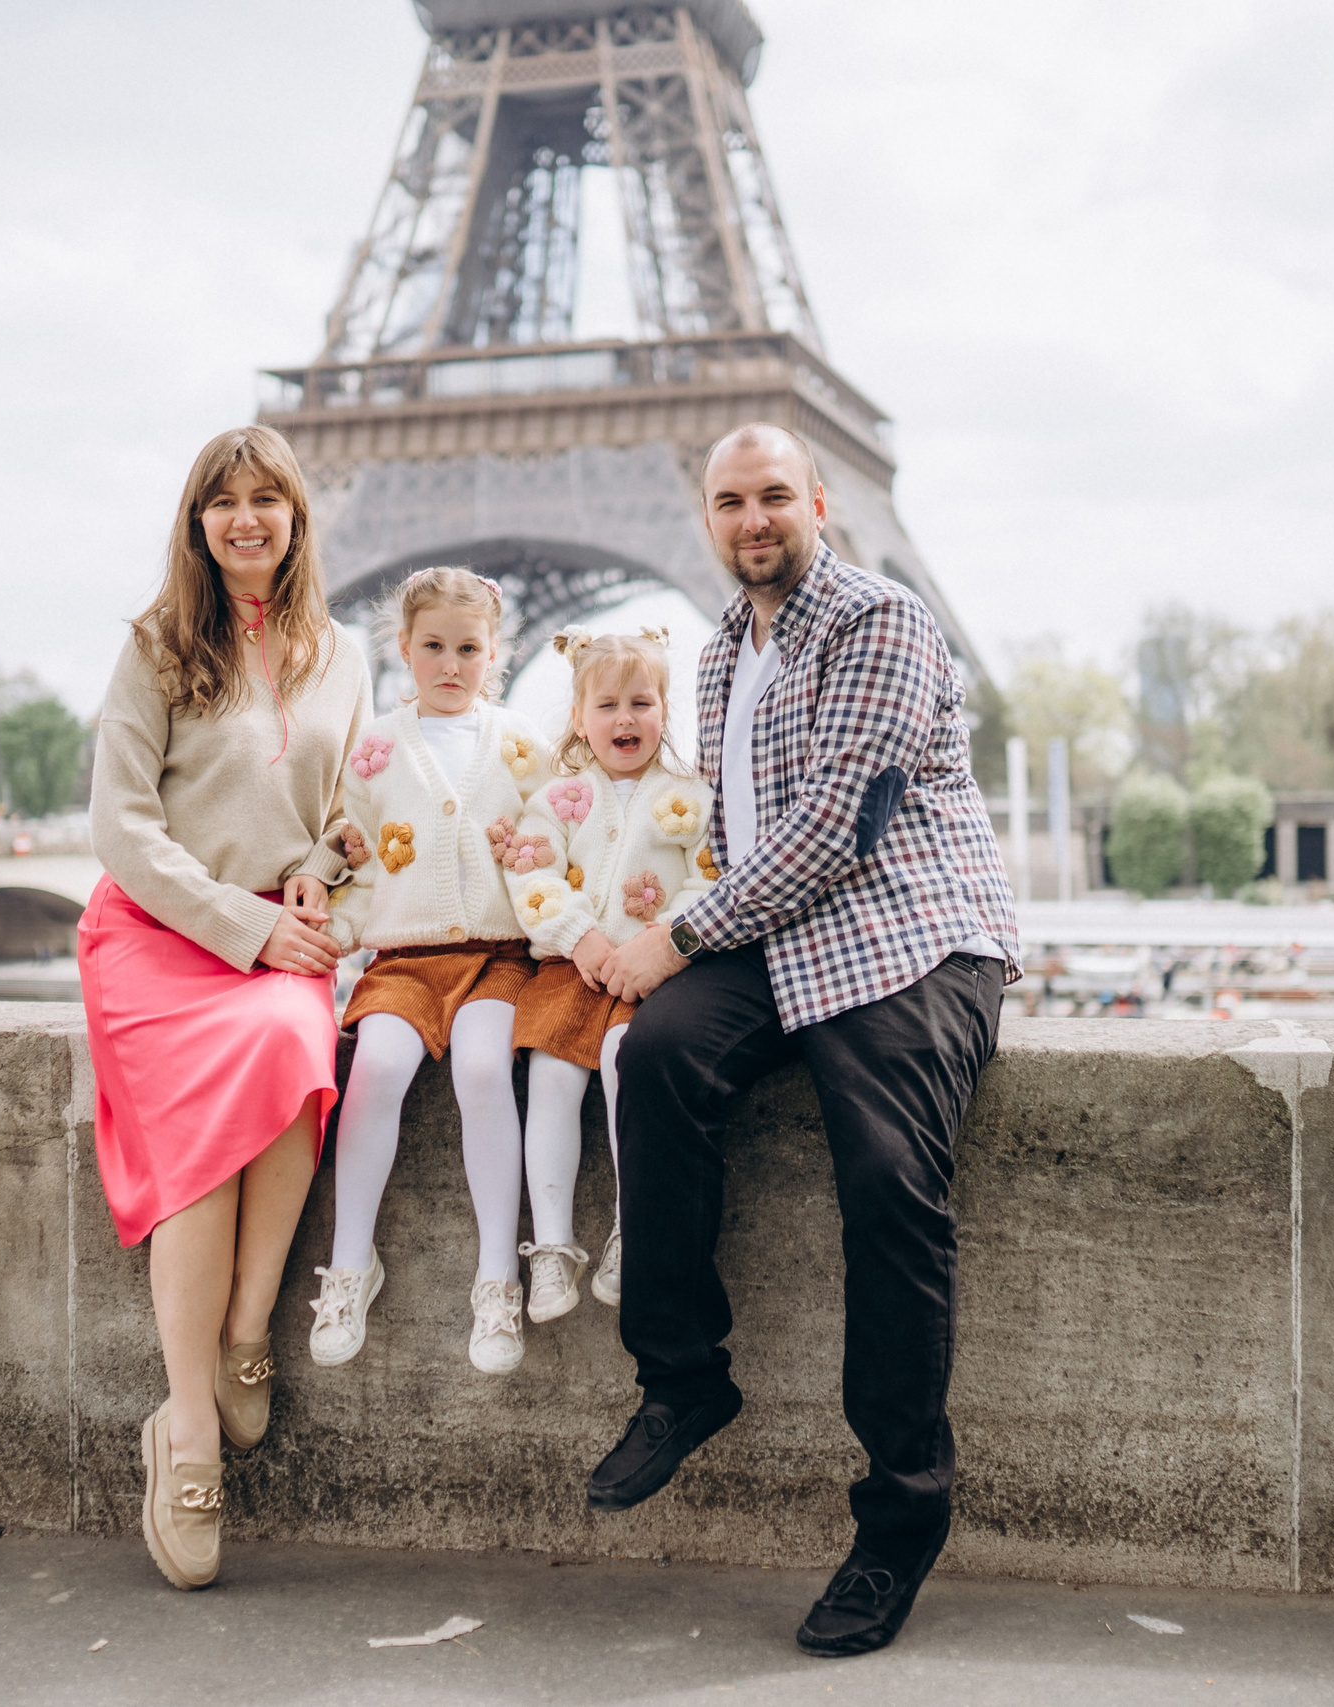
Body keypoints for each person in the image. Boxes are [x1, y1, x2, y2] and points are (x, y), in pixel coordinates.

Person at [589, 422, 1019, 1658]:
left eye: (774, 495)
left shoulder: (879, 621)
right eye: (730, 501)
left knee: (888, 1184)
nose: (753, 519)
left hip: (906, 932)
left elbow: (838, 827)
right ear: (706, 517)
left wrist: (677, 935)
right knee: (656, 1058)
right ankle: (683, 1378)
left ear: (821, 502)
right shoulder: (722, 651)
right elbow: (733, 837)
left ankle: (899, 1520)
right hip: (779, 937)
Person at [80, 423, 370, 1591]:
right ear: (197, 523)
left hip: (279, 932)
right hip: (163, 934)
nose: (245, 518)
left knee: (297, 1046)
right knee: (207, 1135)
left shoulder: (342, 656)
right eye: (222, 501)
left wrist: (321, 872)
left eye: (266, 499)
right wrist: (243, 928)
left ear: (296, 517)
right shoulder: (156, 647)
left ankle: (248, 1327)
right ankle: (189, 1423)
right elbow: (120, 827)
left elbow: (351, 814)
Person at [309, 568, 551, 1376]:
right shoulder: (375, 751)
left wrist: (537, 861)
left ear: (496, 654)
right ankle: (350, 1262)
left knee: (483, 1070)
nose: (451, 664)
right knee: (375, 1069)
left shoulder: (523, 745)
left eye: (469, 649)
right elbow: (358, 862)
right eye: (435, 647)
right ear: (404, 649)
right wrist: (335, 930)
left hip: (497, 957)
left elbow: (558, 841)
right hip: (404, 959)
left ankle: (498, 1274)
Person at [501, 626, 716, 1324]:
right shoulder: (558, 797)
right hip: (575, 970)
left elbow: (707, 880)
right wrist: (580, 937)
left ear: (665, 711)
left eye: (641, 703)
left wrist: (660, 940)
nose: (626, 718)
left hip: (651, 977)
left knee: (631, 1061)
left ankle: (631, 1227)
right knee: (552, 1078)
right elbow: (531, 872)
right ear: (578, 718)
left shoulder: (693, 796)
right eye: (607, 705)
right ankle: (553, 1245)